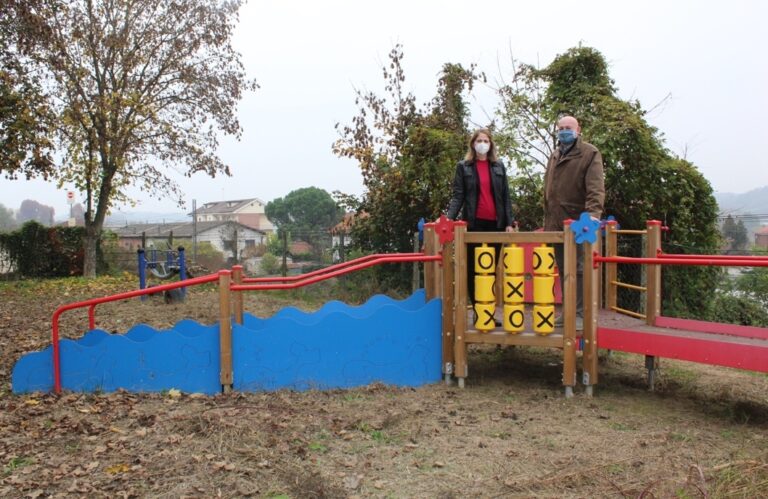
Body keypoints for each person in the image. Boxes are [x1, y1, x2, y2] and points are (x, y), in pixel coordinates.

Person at [446, 128, 515, 326]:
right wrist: (449, 219)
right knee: (474, 270)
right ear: (473, 144)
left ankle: (488, 314)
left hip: (496, 224)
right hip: (474, 225)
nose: (482, 143)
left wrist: (509, 223)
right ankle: (479, 313)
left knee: (490, 270)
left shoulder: (499, 166)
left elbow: (506, 197)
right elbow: (458, 195)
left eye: (486, 140)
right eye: (479, 140)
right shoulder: (464, 166)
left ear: (491, 144)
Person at [543, 115, 605, 329]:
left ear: (578, 129)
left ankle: (580, 313)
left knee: (579, 268)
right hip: (556, 222)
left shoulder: (589, 153)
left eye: (568, 127)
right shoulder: (555, 154)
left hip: (579, 223)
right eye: (560, 128)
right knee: (563, 268)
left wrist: (593, 215)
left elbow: (596, 188)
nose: (564, 131)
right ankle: (567, 311)